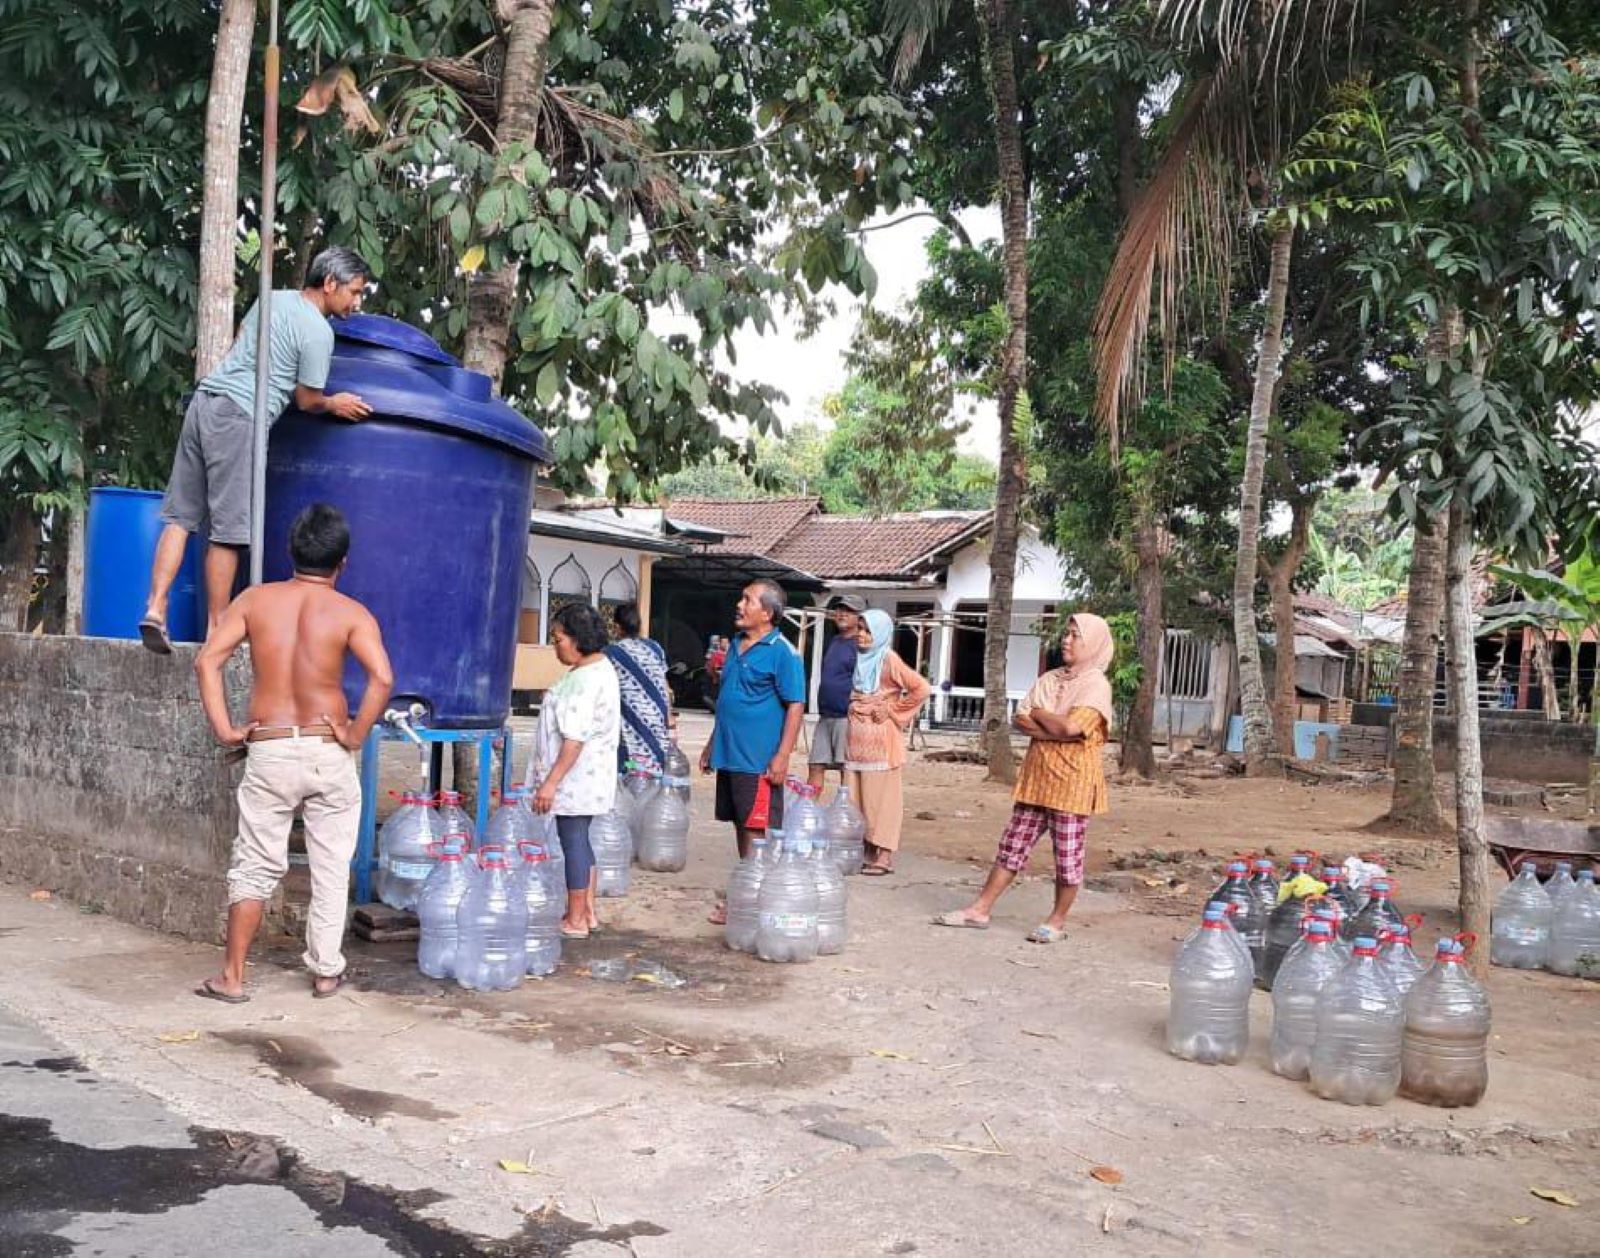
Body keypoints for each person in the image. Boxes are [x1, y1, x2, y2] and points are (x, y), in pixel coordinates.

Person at [193, 503, 393, 1002]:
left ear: (290, 552)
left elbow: (208, 661)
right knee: (330, 865)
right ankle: (326, 970)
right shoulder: (352, 613)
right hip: (328, 750)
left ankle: (233, 978)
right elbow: (383, 679)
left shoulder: (256, 600)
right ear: (342, 562)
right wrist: (354, 734)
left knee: (255, 864)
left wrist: (225, 728)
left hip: (271, 746)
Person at [141, 247, 376, 652]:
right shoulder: (320, 333)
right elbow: (306, 400)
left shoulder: (272, 299)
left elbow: (241, 344)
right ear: (330, 283)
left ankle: (155, 609)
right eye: (354, 292)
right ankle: (217, 630)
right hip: (240, 416)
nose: (356, 303)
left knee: (180, 518)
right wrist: (334, 402)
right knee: (229, 533)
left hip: (206, 401)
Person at [933, 613, 1114, 942]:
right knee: (1011, 847)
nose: (1066, 640)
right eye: (1067, 634)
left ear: (1095, 644)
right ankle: (980, 909)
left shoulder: (1096, 685)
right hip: (1037, 779)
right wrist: (1054, 727)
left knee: (1068, 857)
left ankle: (1057, 921)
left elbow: (1072, 727)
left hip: (1073, 784)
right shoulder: (1050, 677)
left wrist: (1043, 716)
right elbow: (1021, 719)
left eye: (1076, 636)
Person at [700, 580, 805, 924]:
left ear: (768, 613)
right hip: (730, 755)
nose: (740, 605)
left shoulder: (783, 653)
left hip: (758, 759)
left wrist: (783, 755)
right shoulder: (735, 647)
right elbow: (729, 698)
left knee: (758, 832)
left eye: (748, 600)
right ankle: (746, 897)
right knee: (740, 826)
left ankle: (761, 901)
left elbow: (795, 706)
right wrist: (713, 742)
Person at [531, 602, 621, 939]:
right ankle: (588, 912)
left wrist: (550, 783)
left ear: (578, 639)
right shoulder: (599, 669)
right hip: (590, 776)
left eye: (559, 639)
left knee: (573, 842)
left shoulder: (584, 680)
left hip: (575, 777)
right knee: (581, 840)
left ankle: (576, 919)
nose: (556, 646)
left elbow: (574, 739)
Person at [845, 609, 931, 875]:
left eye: (868, 630)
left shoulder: (888, 658)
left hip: (881, 743)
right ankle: (867, 849)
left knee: (881, 800)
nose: (861, 634)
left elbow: (921, 688)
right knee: (856, 798)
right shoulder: (860, 659)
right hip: (856, 742)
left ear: (880, 634)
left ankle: (884, 855)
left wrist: (893, 711)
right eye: (860, 628)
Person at [604, 601, 672, 774]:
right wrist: (670, 719)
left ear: (617, 626)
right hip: (657, 721)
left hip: (630, 724)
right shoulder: (655, 648)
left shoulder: (611, 653)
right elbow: (665, 686)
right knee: (652, 770)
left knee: (630, 768)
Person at [808, 595, 865, 792]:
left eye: (848, 611)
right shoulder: (834, 641)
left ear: (860, 618)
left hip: (846, 717)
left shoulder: (862, 645)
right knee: (815, 765)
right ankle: (810, 814)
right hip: (825, 715)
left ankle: (845, 816)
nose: (841, 614)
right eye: (840, 609)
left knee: (845, 769)